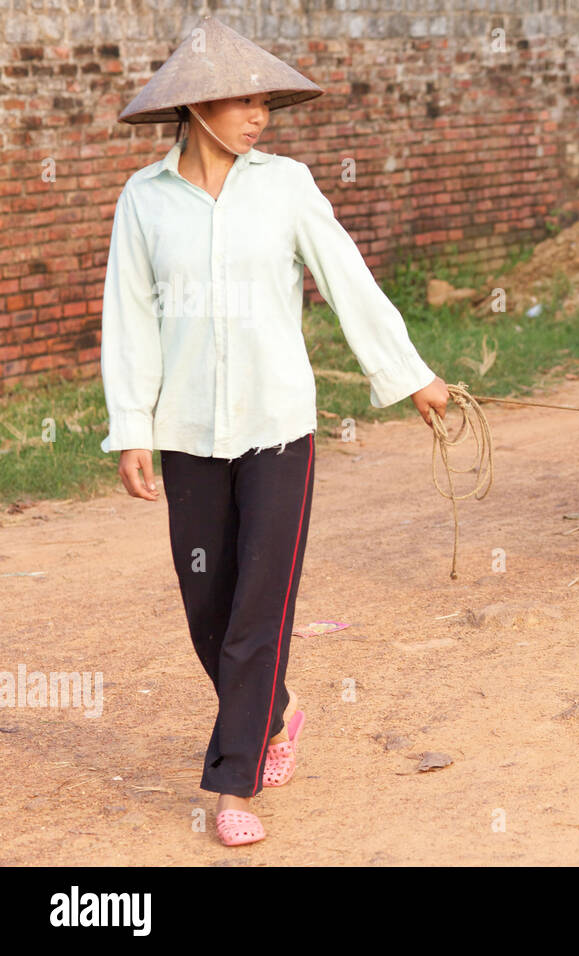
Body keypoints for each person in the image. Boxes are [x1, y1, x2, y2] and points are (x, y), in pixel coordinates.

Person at [100, 15, 449, 846]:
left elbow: (347, 279)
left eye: (264, 102)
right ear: (193, 108)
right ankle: (280, 712)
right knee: (207, 610)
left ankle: (235, 786)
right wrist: (131, 429)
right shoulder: (144, 200)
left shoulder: (287, 184)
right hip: (186, 429)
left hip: (278, 430)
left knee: (260, 610)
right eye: (241, 101)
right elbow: (130, 321)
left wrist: (412, 376)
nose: (258, 116)